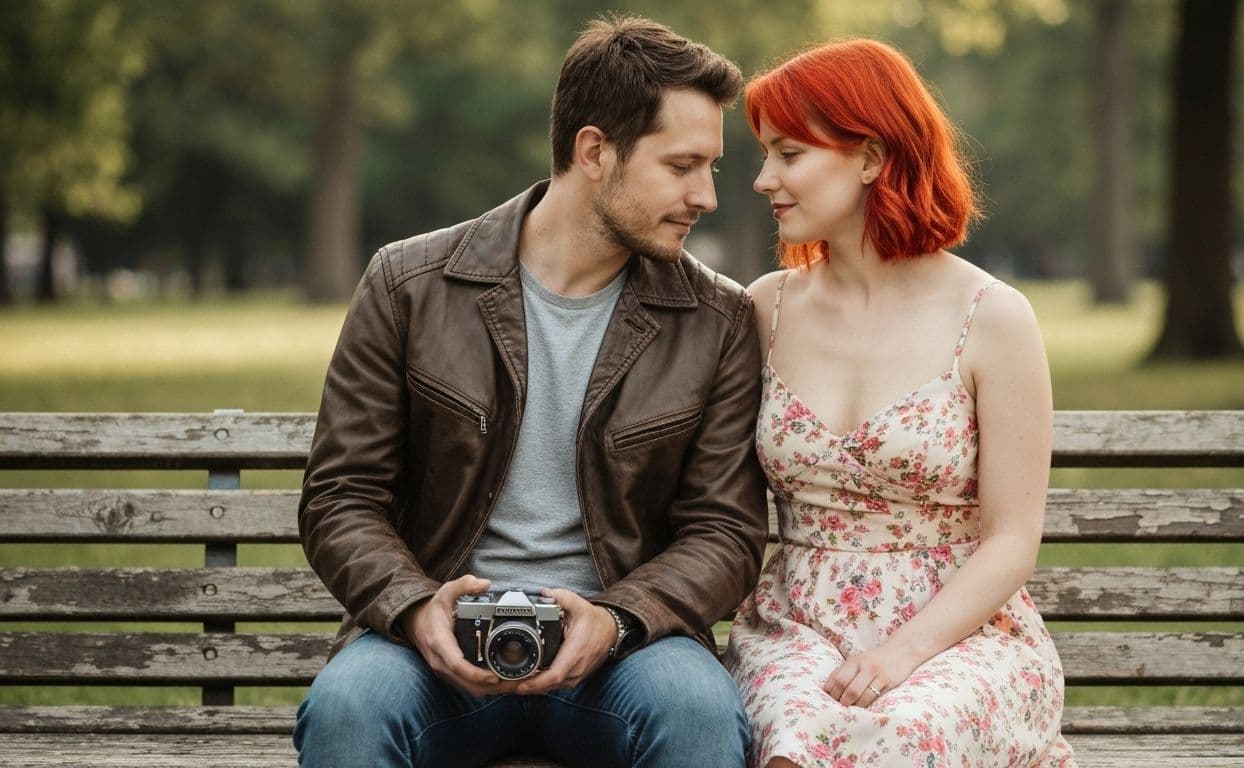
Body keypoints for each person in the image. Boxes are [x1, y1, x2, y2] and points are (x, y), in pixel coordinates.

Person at [294, 16, 768, 768]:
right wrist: (418, 611)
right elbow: (341, 496)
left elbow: (725, 532)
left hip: (627, 655)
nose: (706, 195)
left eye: (710, 166)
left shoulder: (718, 320)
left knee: (697, 713)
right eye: (682, 165)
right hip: (431, 655)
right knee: (350, 709)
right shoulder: (408, 285)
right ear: (594, 152)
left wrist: (616, 620)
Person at [723, 39, 1077, 767]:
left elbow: (1012, 537)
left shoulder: (992, 317)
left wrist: (901, 653)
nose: (764, 180)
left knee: (905, 734)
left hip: (960, 634)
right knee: (792, 741)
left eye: (789, 154)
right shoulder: (766, 310)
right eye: (765, 155)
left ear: (872, 159)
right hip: (797, 627)